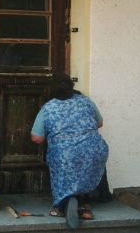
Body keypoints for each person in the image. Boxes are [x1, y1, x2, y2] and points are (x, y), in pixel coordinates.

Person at [31, 73, 109, 229]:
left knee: (64, 157)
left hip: (65, 154)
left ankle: (61, 204)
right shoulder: (85, 101)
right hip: (95, 149)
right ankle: (85, 202)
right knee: (87, 158)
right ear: (72, 87)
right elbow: (100, 123)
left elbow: (36, 138)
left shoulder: (48, 108)